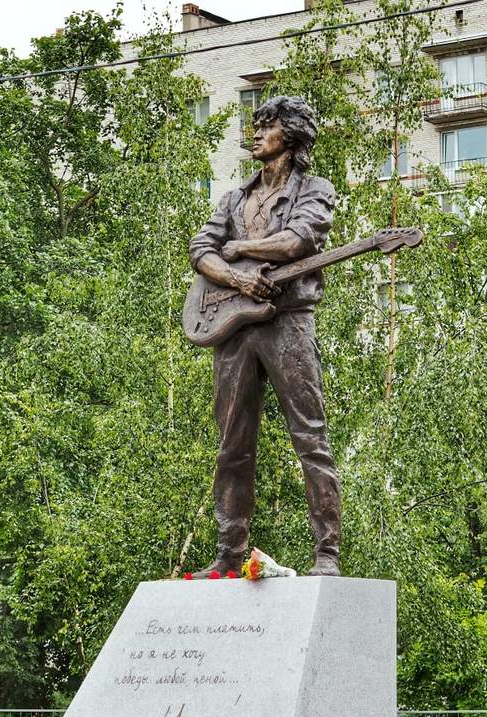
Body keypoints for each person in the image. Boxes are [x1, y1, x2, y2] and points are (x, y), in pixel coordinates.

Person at [188, 95, 341, 578]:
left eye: (266, 126)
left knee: (310, 437)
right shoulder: (233, 197)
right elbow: (200, 250)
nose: (255, 134)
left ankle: (327, 555)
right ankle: (230, 552)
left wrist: (240, 248)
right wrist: (237, 278)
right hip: (234, 328)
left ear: (290, 136)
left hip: (288, 323)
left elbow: (298, 240)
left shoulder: (314, 189)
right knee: (232, 444)